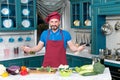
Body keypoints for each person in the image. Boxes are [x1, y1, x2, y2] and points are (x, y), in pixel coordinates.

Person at [22, 11, 86, 68]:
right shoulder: (45, 34)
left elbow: (72, 48)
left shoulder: (66, 34)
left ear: (59, 22)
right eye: (52, 22)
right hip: (47, 66)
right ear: (49, 23)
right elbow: (38, 48)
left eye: (56, 22)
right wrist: (30, 50)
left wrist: (78, 49)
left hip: (62, 66)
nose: (54, 24)